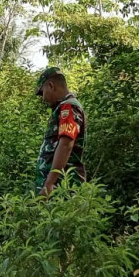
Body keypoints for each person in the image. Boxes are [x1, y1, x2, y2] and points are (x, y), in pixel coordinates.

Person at [35, 67, 87, 196]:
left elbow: (66, 144)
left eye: (42, 92)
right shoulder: (62, 108)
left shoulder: (68, 107)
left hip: (63, 187)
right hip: (58, 186)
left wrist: (49, 184)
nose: (43, 98)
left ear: (51, 86)